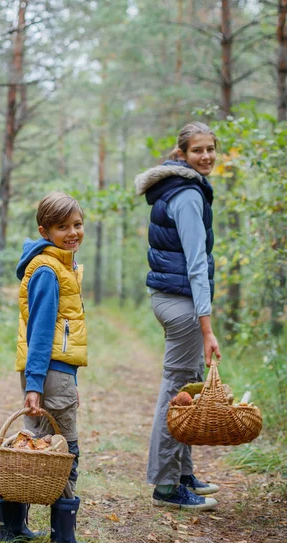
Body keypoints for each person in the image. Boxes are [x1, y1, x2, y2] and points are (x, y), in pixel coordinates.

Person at [134, 121, 222, 510]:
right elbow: (196, 265)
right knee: (176, 394)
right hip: (183, 304)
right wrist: (207, 327)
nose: (205, 156)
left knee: (187, 390)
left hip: (170, 297)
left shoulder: (181, 189)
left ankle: (183, 473)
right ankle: (167, 486)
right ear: (182, 154)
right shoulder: (187, 196)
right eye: (197, 150)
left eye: (210, 149)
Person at [0, 191, 89, 543]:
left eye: (77, 224)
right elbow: (41, 332)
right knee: (64, 450)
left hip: (52, 373)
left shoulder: (56, 266)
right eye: (62, 226)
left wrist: (68, 380)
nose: (72, 232)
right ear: (44, 230)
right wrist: (38, 384)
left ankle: (13, 529)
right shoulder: (49, 270)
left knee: (30, 448)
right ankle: (64, 539)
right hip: (47, 372)